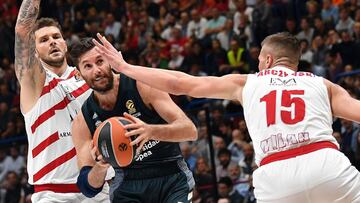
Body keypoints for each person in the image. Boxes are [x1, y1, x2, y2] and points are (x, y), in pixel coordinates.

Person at [93, 32, 360, 203]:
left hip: (276, 175)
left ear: (267, 59)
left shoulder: (246, 82)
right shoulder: (323, 85)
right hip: (326, 165)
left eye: (258, 60)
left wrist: (125, 67)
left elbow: (181, 83)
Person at [69, 38, 197, 202]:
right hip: (128, 186)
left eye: (100, 61)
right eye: (88, 66)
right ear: (79, 74)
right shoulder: (83, 120)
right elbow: (87, 188)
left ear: (110, 61)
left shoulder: (142, 86)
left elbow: (189, 130)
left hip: (170, 175)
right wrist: (101, 166)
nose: (97, 70)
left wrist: (151, 131)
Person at [14, 0, 111, 202]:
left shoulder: (90, 77)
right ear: (34, 50)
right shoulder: (34, 83)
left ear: (65, 43)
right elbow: (23, 29)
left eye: (56, 37)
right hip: (53, 193)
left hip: (100, 187)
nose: (52, 41)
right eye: (44, 39)